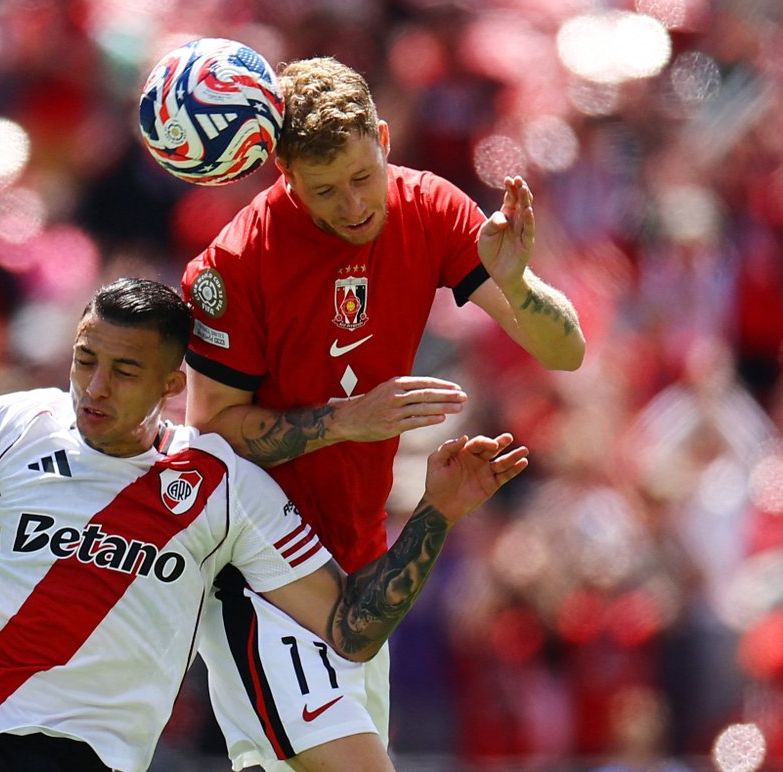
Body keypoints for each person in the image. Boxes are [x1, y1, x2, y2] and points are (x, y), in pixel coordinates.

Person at [0, 278, 528, 772]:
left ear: (171, 383)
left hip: (95, 759)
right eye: (85, 359)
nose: (93, 386)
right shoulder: (18, 422)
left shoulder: (224, 487)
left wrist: (437, 513)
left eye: (123, 371)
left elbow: (351, 627)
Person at [181, 57, 585, 771]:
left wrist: (517, 281)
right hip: (259, 569)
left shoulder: (429, 208)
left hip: (361, 566)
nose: (353, 206)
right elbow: (210, 430)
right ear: (283, 174)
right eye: (324, 190)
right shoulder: (236, 262)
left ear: (385, 140)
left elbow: (564, 351)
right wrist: (342, 421)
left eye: (362, 178)